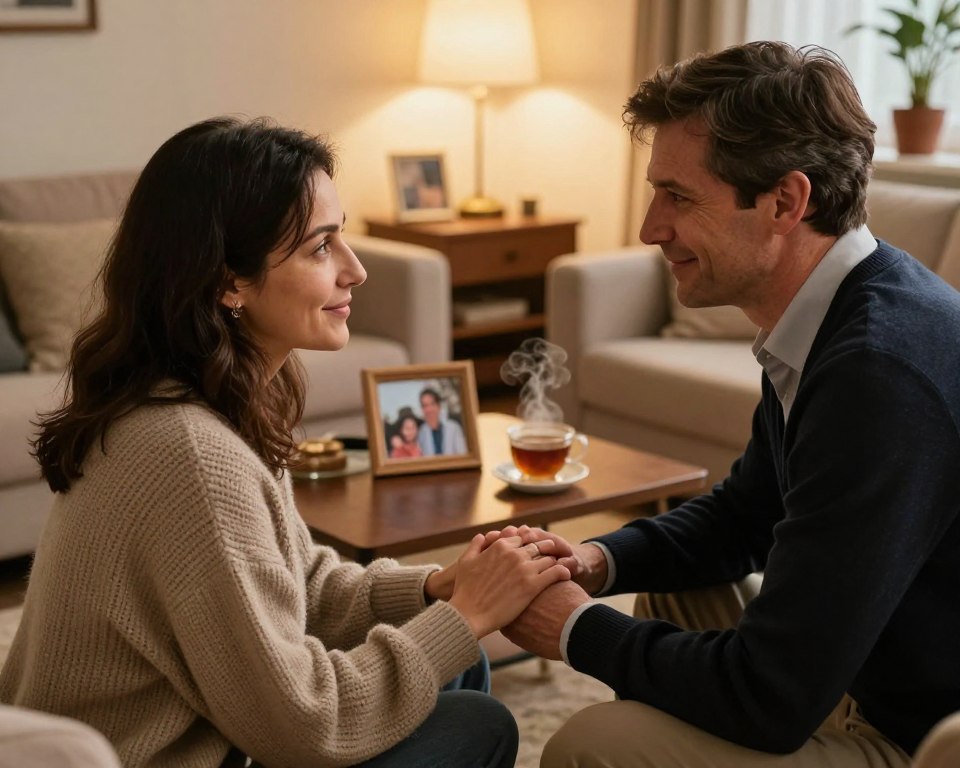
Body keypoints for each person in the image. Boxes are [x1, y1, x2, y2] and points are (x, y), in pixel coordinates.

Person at [0, 116, 575, 768]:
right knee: (474, 722)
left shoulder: (211, 398)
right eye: (320, 248)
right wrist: (467, 615)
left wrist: (438, 589)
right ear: (227, 282)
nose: (355, 270)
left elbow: (297, 587)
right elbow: (302, 728)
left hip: (215, 730)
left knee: (453, 665)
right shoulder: (189, 454)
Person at [502, 41, 960, 767]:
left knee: (595, 744)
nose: (651, 227)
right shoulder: (830, 314)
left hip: (920, 736)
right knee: (671, 593)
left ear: (786, 200)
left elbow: (770, 697)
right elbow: (745, 516)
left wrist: (571, 628)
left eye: (678, 196)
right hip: (853, 673)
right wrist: (592, 562)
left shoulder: (876, 373)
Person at [417, 387, 467, 456]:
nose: (429, 409)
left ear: (439, 406)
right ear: (422, 409)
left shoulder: (454, 428)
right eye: (425, 406)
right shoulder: (420, 433)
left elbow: (463, 455)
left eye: (432, 404)